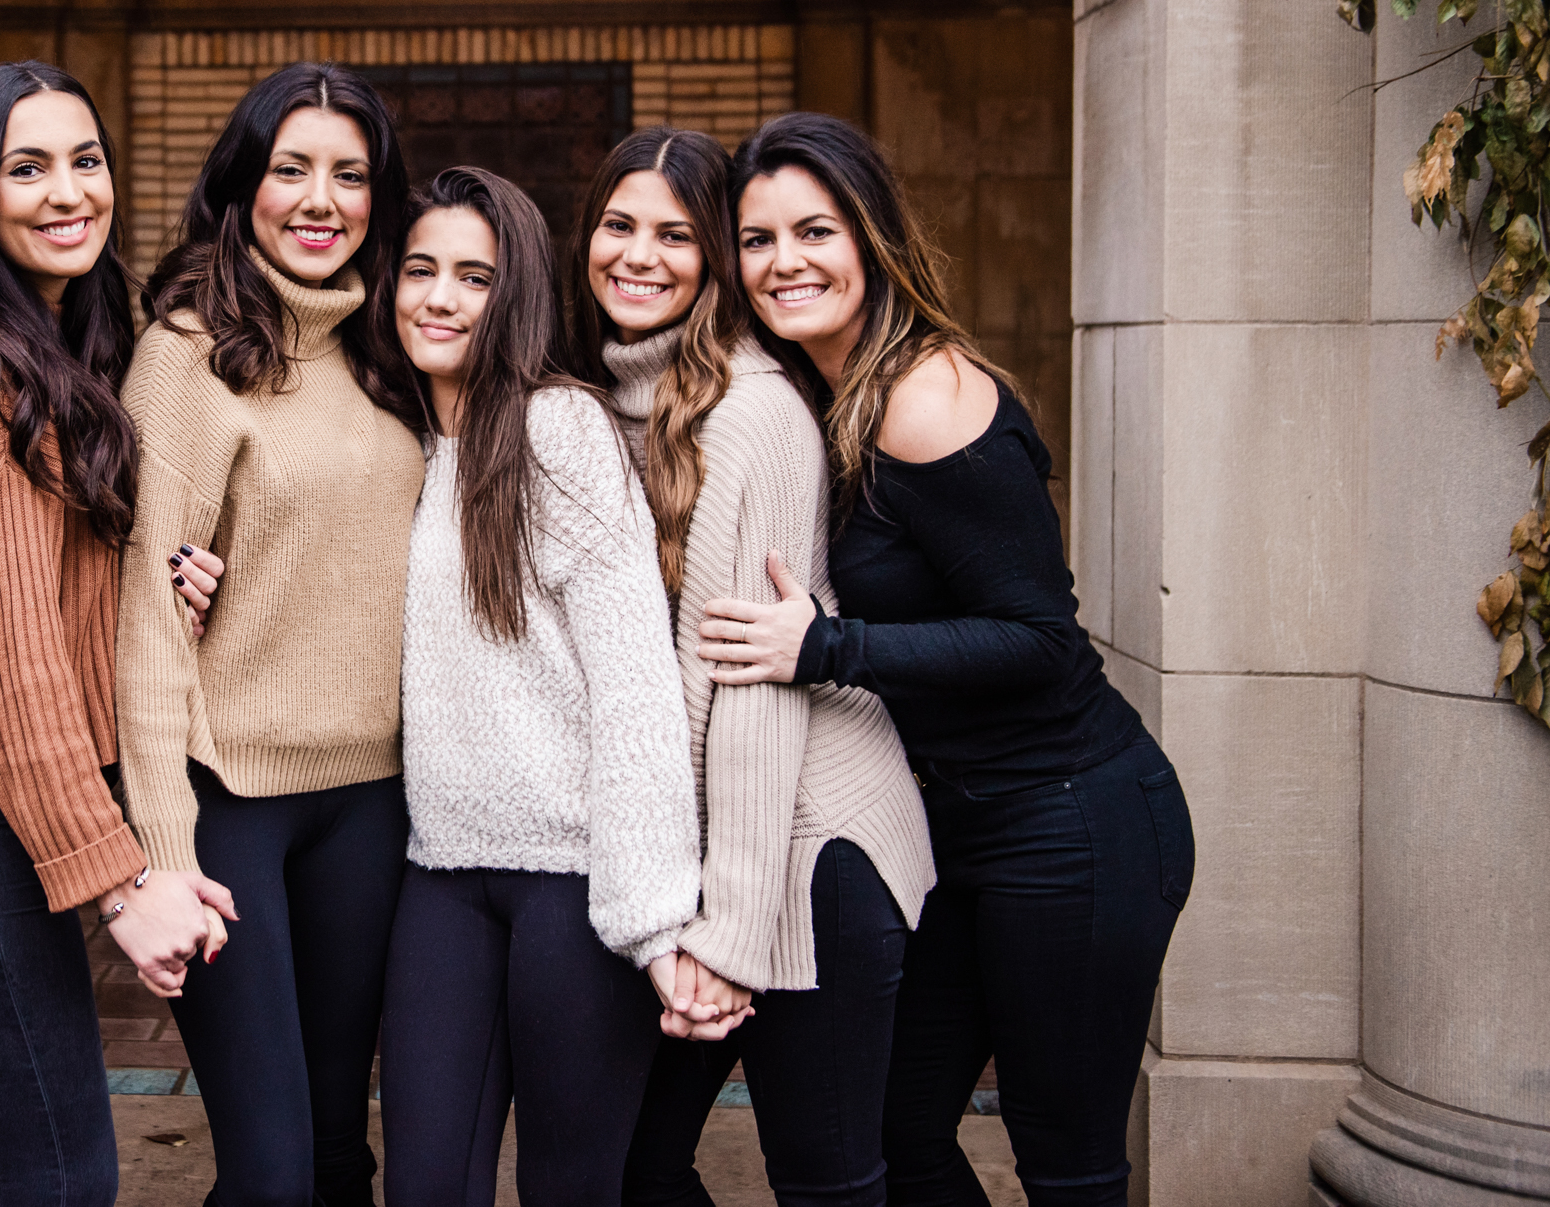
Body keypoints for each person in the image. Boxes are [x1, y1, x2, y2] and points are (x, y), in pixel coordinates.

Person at [695, 112, 1193, 1207]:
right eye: (759, 239)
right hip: (958, 827)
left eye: (814, 231)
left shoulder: (926, 398)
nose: (786, 263)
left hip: (1071, 822)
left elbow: (1038, 638)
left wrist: (825, 647)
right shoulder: (821, 394)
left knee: (1065, 1161)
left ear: (869, 238)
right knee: (895, 1128)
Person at [0, 61, 237, 1207]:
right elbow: (15, 685)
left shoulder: (60, 355)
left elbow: (46, 589)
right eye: (27, 167)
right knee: (61, 1181)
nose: (68, 190)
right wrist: (124, 891)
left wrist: (159, 577)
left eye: (85, 160)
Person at [561, 129, 934, 1207]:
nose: (641, 256)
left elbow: (760, 694)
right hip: (705, 855)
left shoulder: (757, 414)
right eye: (619, 226)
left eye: (678, 235)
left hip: (808, 853)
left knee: (825, 1181)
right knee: (635, 1165)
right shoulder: (598, 402)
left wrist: (729, 932)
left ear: (716, 259)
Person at [116, 62, 428, 1207]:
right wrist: (163, 844)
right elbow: (142, 612)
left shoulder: (395, 352)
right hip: (227, 801)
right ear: (243, 185)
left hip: (375, 799)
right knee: (273, 1168)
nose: (321, 197)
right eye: (291, 168)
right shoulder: (186, 354)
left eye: (350, 174)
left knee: (342, 1153)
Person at [376, 167, 701, 1207]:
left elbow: (638, 686)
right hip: (440, 872)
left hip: (572, 885)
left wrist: (652, 920)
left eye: (474, 276)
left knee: (569, 1188)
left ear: (513, 296)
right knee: (426, 1185)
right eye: (421, 269)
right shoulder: (406, 439)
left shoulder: (557, 430)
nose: (440, 297)